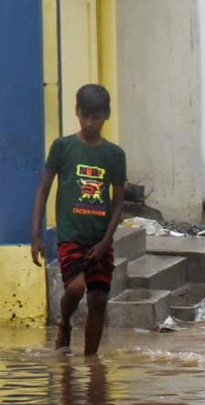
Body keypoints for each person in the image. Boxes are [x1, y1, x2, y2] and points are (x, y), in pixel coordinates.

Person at [31, 84, 126, 356]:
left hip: (100, 237)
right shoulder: (62, 147)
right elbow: (44, 189)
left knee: (98, 299)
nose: (89, 123)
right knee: (75, 288)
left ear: (106, 115)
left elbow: (118, 201)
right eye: (85, 116)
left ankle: (92, 363)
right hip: (71, 235)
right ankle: (65, 322)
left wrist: (107, 240)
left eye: (95, 117)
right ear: (77, 112)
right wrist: (36, 234)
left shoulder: (115, 155)